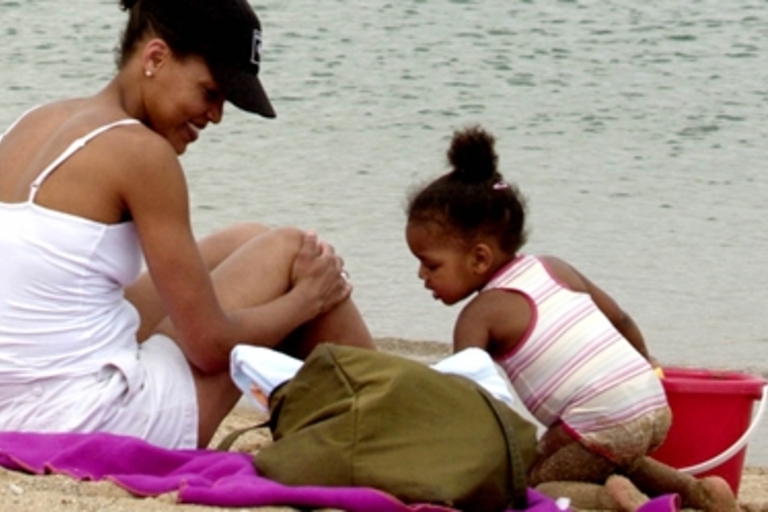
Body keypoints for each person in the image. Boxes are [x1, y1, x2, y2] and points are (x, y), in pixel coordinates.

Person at [0, 0, 375, 451]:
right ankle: (391, 420)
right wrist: (306, 301)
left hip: (13, 406)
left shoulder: (32, 123)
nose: (215, 115)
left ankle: (374, 411)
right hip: (85, 421)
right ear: (156, 57)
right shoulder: (142, 153)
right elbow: (210, 347)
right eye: (211, 92)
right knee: (293, 252)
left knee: (247, 239)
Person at [404, 125, 738, 512]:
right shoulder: (554, 268)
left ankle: (605, 500)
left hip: (603, 421)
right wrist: (647, 364)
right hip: (652, 403)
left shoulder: (478, 318)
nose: (421, 275)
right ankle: (699, 492)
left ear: (479, 258)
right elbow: (621, 319)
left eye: (431, 264)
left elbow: (468, 401)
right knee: (610, 455)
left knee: (529, 484)